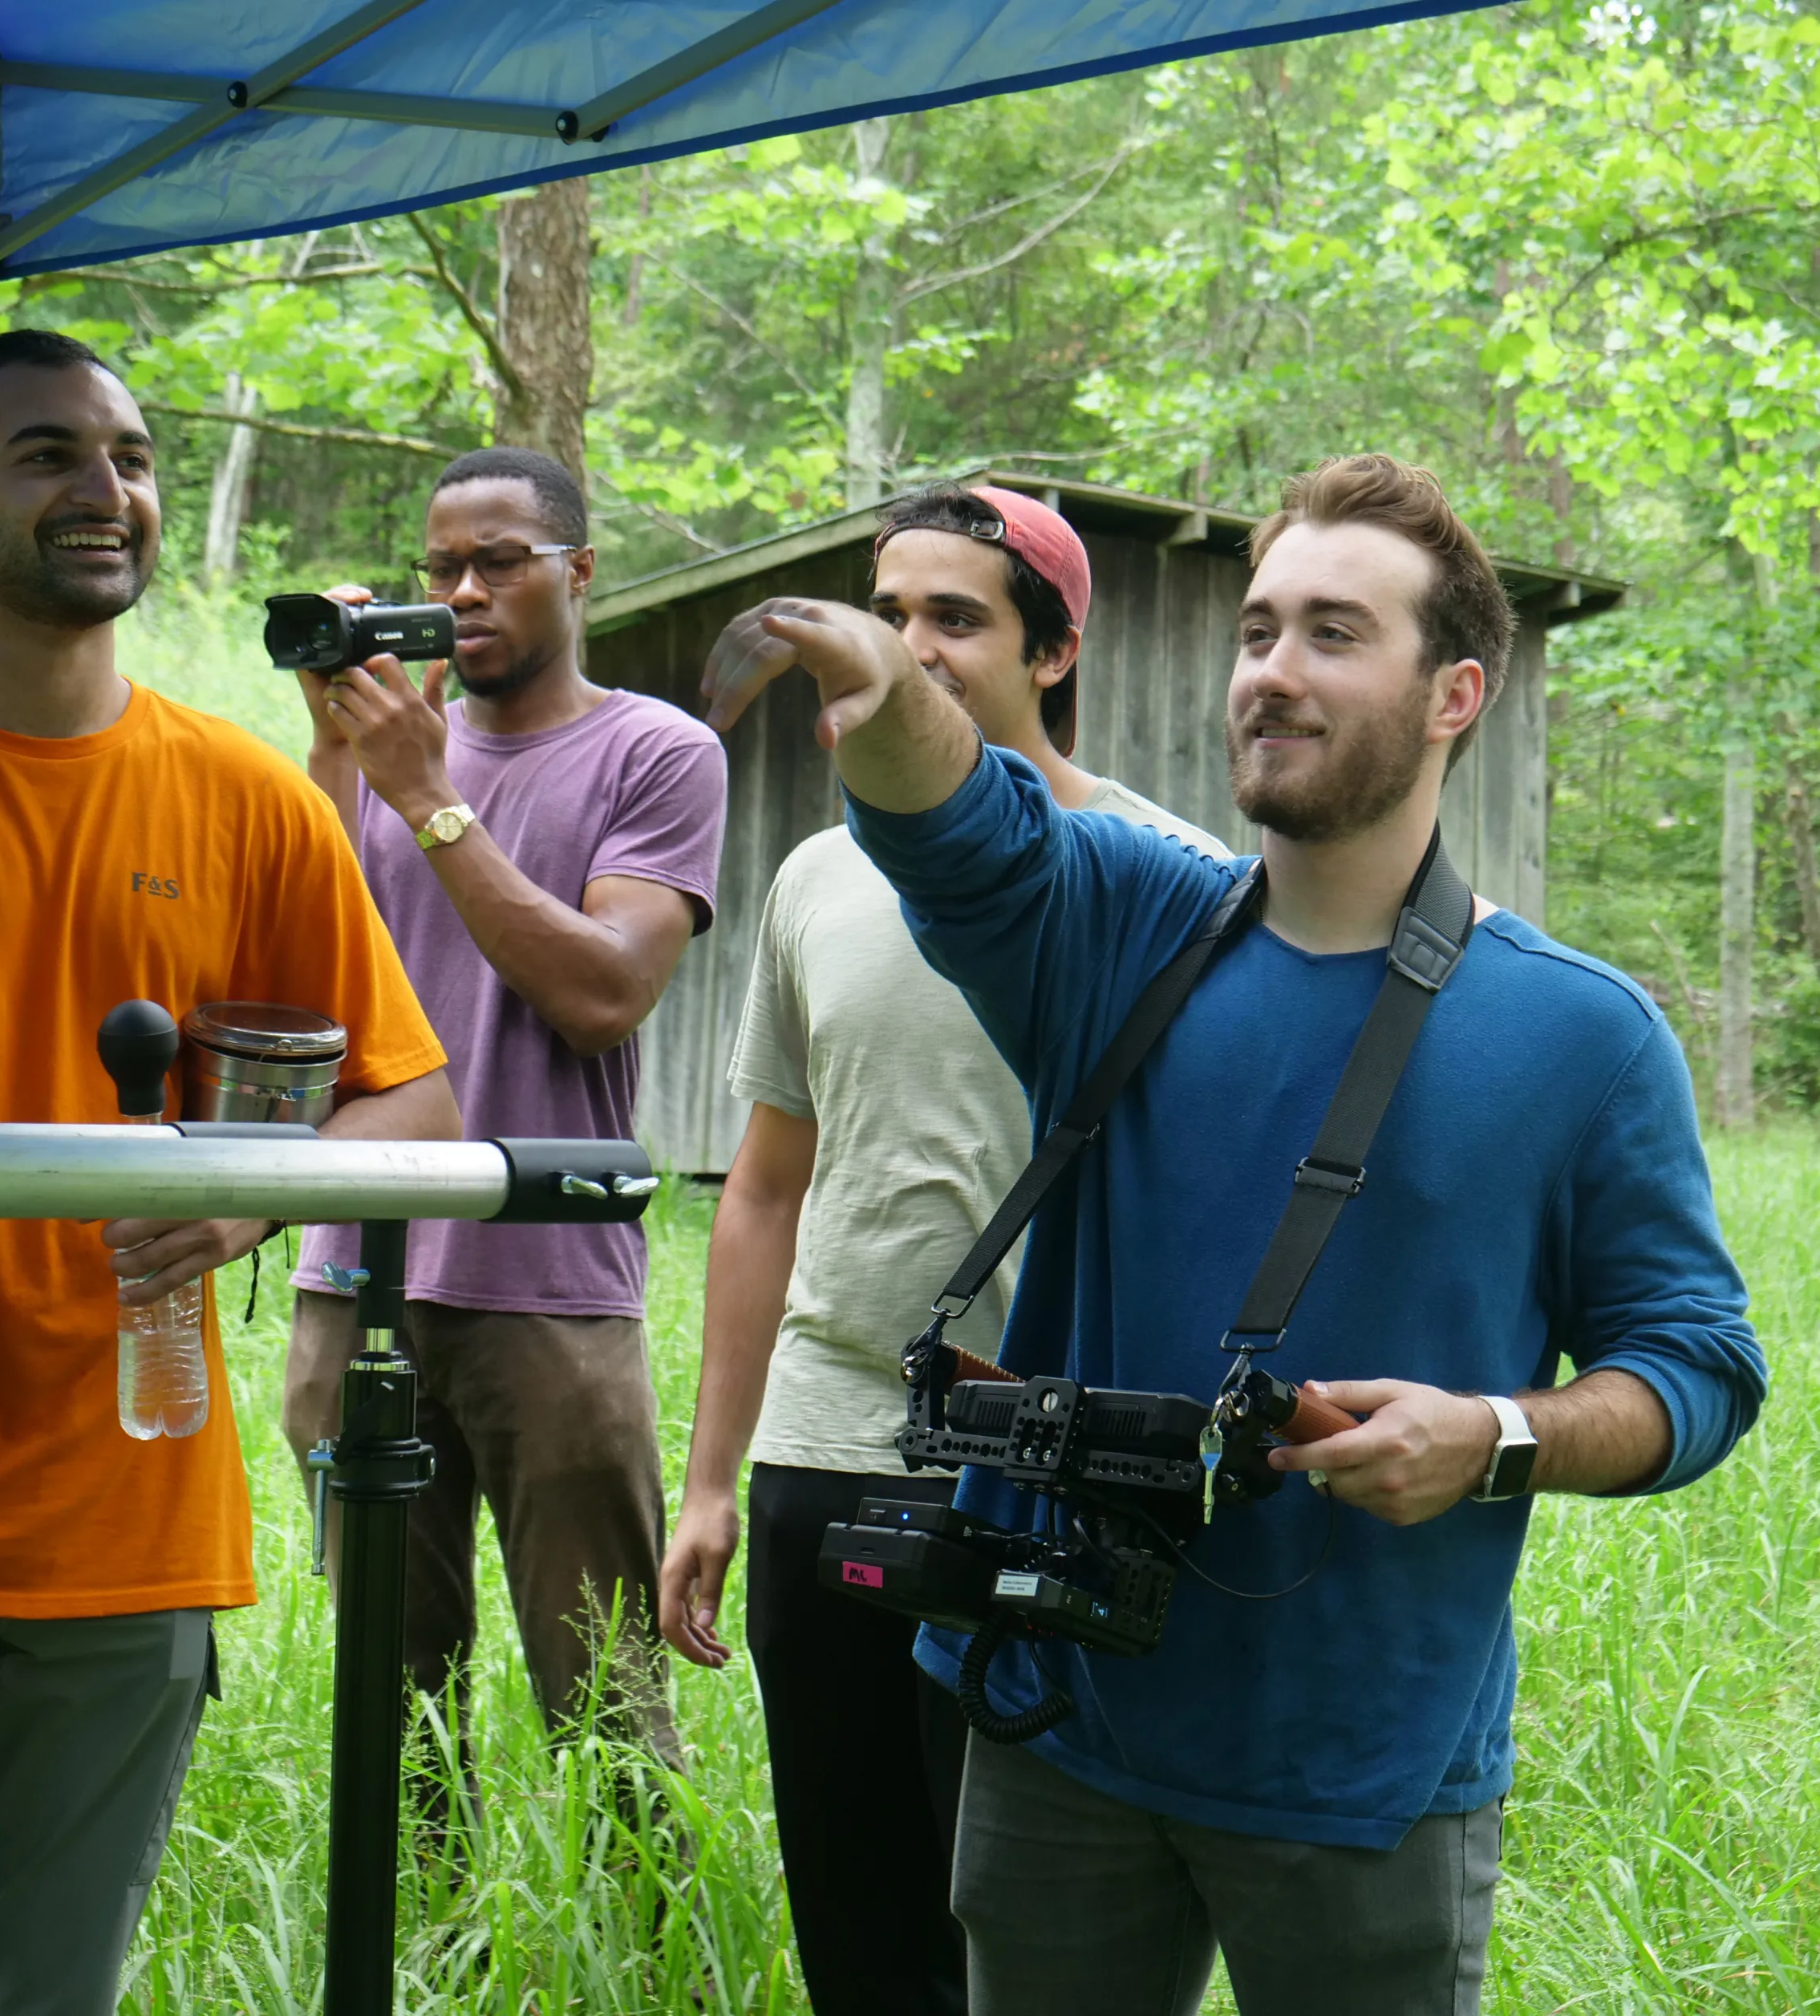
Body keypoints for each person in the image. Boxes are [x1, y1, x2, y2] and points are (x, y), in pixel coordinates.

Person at [699, 452, 1765, 2016]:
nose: (1271, 668)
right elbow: (958, 825)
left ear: (1454, 691)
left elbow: (1698, 1368)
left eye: (1333, 632)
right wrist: (880, 674)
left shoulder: (1580, 1037)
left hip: (1361, 1771)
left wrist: (1493, 1434)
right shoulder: (1122, 919)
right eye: (1257, 630)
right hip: (1057, 1717)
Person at [0, 330, 460, 2016]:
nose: (106, 490)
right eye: (47, 454)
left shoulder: (245, 798)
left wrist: (258, 1191)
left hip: (127, 1523)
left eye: (130, 457)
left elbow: (414, 1106)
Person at [659, 485, 1228, 2016]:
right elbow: (766, 1188)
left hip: (1044, 1474)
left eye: (955, 620)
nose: (905, 650)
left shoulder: (1170, 881)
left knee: (1027, 1941)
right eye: (889, 612)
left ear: (1054, 653)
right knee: (857, 1918)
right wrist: (714, 1478)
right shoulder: (813, 878)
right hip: (826, 1449)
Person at [286, 446, 727, 1815]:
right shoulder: (373, 755)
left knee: (601, 1704)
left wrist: (425, 796)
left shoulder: (654, 750)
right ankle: (423, 1956)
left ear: (578, 573)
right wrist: (333, 751)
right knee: (389, 1696)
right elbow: (297, 986)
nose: (463, 592)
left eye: (499, 563)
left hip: (545, 1283)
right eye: (440, 571)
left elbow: (602, 992)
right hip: (357, 1275)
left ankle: (638, 1962)